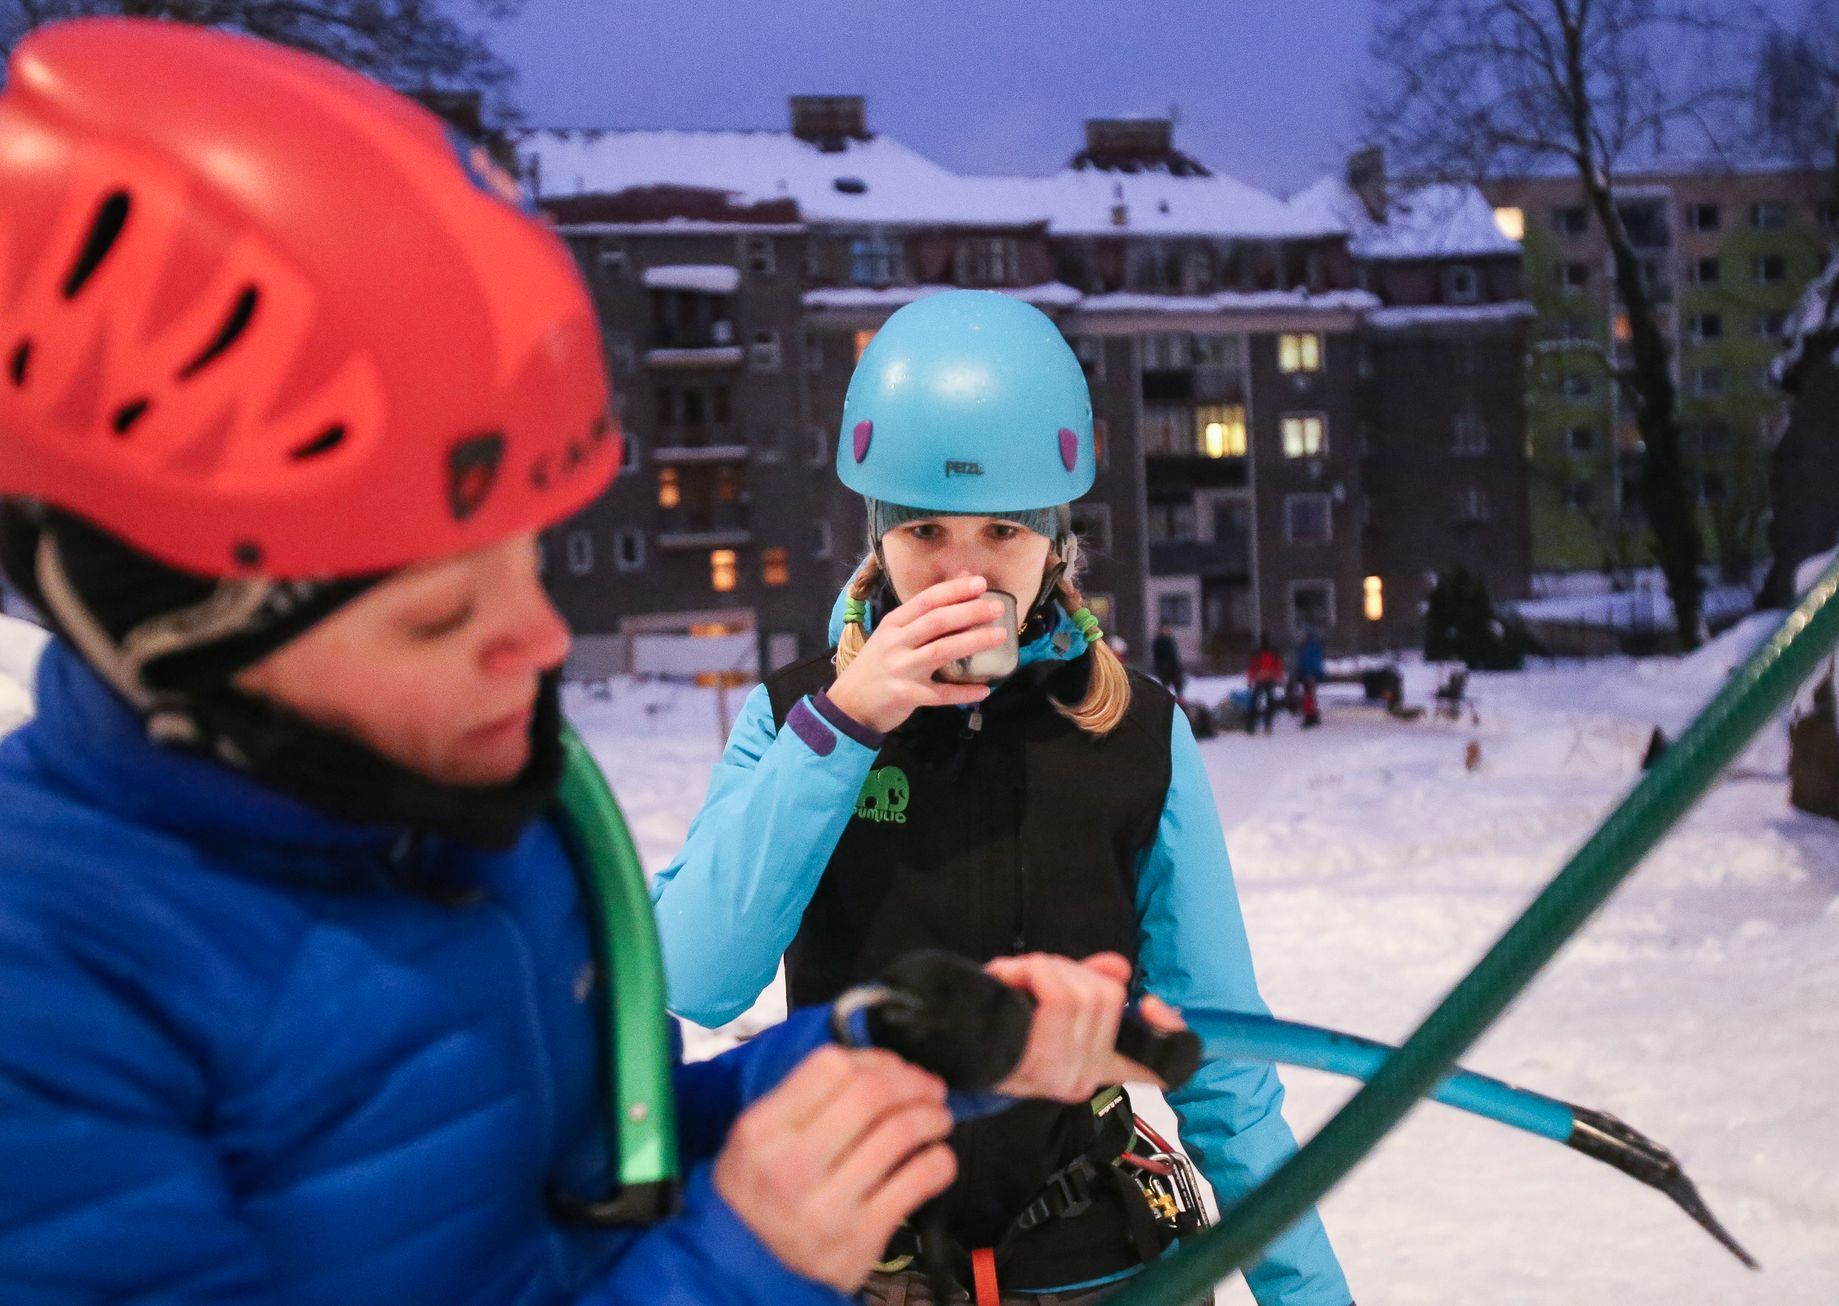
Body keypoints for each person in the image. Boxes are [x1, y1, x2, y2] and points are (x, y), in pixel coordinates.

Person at [0, 22, 1173, 1304]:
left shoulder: (474, 818)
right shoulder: (51, 988)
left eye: (531, 561)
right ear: (184, 637)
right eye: (441, 614)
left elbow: (606, 1146)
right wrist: (742, 1269)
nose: (542, 638)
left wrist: (880, 1054)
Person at [654, 292, 1353, 1305]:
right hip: (862, 1271)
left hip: (1095, 1264)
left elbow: (1224, 1064)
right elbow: (692, 975)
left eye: (1000, 531)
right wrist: (848, 725)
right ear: (880, 533)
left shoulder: (1135, 735)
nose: (963, 568)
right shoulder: (797, 718)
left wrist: (1308, 1296)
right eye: (926, 529)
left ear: (1051, 541)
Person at [1246, 636, 1285, 736]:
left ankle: (1251, 726)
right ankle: (1267, 725)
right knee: (1270, 703)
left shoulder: (1258, 654)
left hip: (1259, 680)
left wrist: (1250, 680)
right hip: (1270, 680)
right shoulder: (1274, 654)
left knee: (1255, 702)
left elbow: (1252, 668)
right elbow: (1278, 666)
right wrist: (1279, 678)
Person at [1292, 629, 1325, 729]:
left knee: (1308, 696)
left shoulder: (1309, 647)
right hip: (1308, 674)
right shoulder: (1308, 646)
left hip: (1309, 674)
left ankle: (1310, 716)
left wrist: (1309, 674)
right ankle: (1313, 715)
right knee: (1309, 695)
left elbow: (1310, 662)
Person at [1150, 627, 1186, 698]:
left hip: (1173, 667)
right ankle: (1166, 698)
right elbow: (1157, 655)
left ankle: (1179, 698)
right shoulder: (1159, 642)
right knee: (1166, 684)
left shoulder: (1170, 641)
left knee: (1177, 683)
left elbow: (1174, 655)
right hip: (1164, 667)